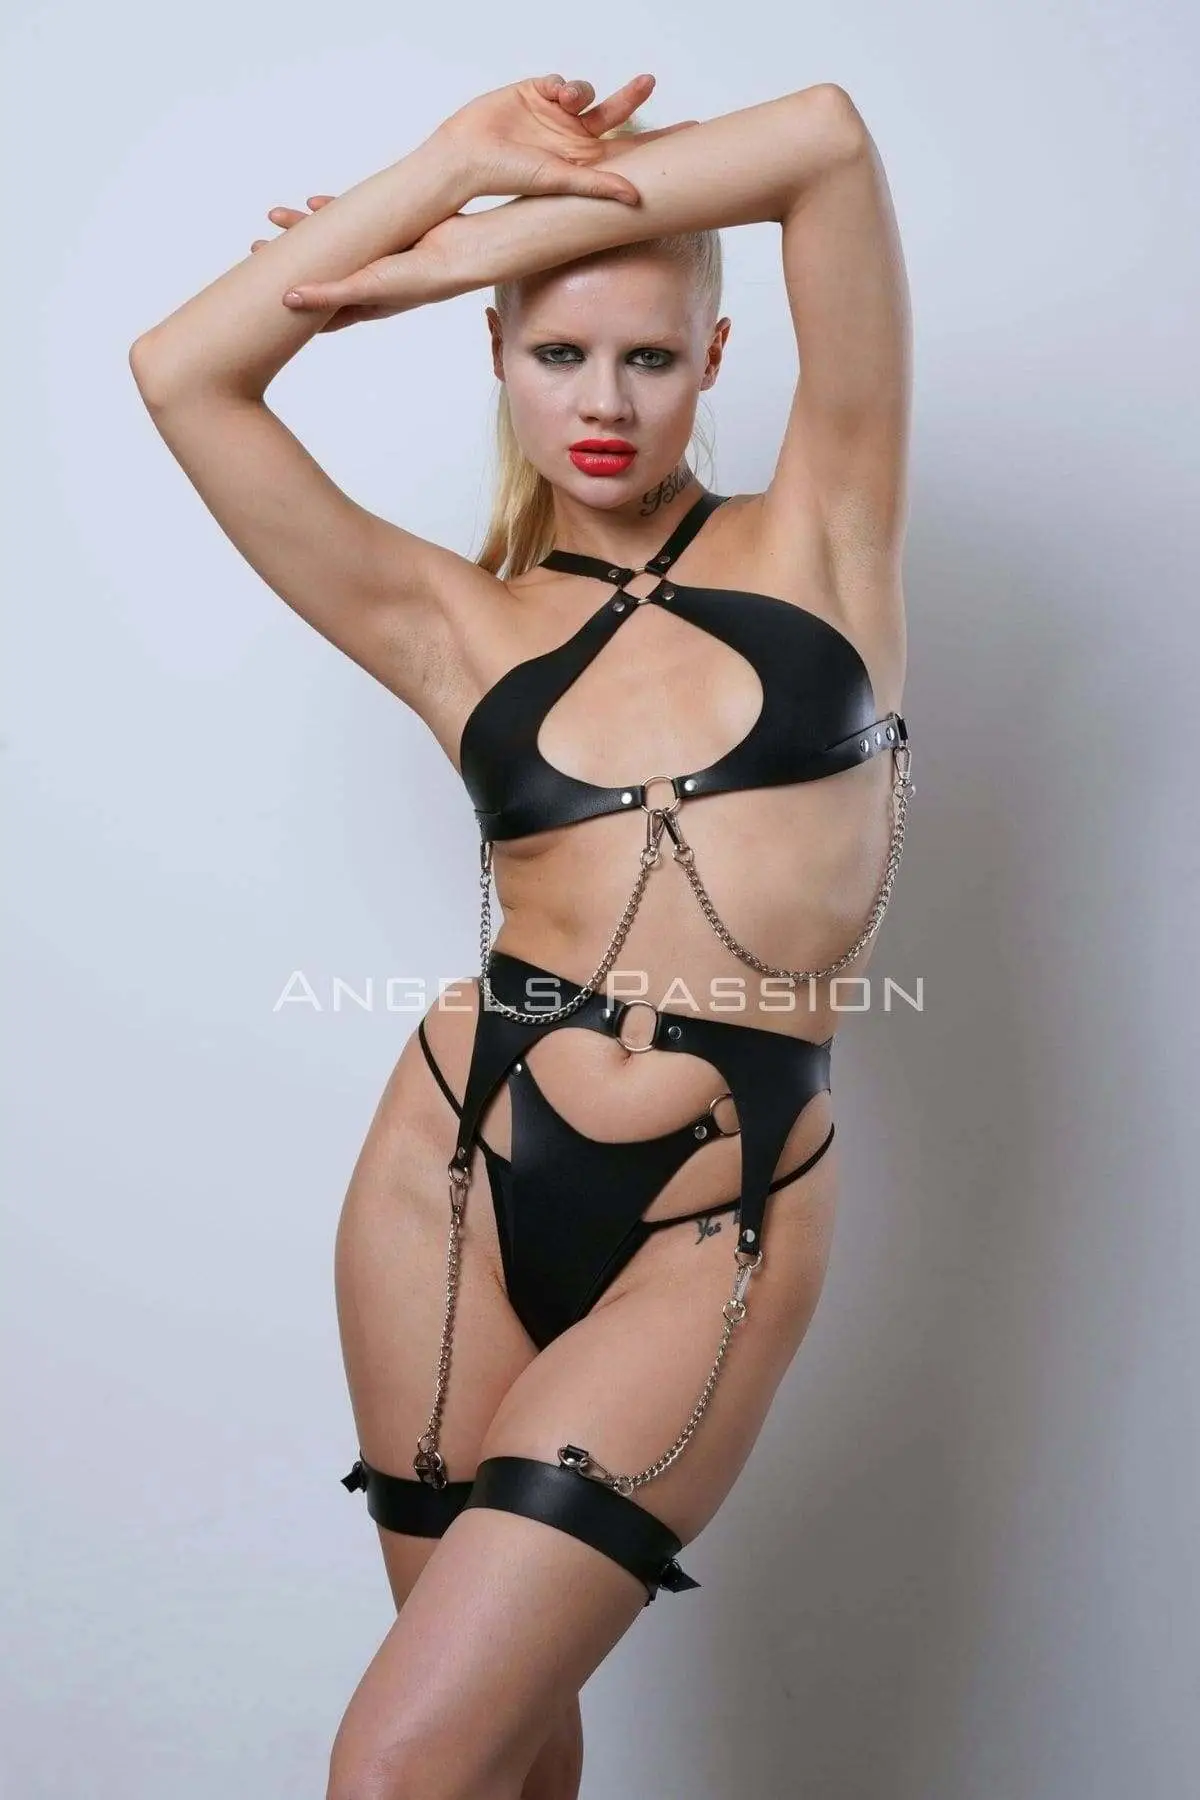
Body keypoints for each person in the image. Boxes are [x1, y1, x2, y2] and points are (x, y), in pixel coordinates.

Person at [130, 68, 913, 1800]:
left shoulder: (828, 530)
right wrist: (443, 174)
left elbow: (828, 143)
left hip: (724, 1200)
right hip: (451, 1174)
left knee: (397, 1770)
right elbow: (181, 371)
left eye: (649, 356)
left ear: (716, 358)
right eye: (556, 352)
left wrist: (466, 249)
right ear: (496, 356)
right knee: (486, 1761)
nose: (604, 402)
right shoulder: (449, 621)